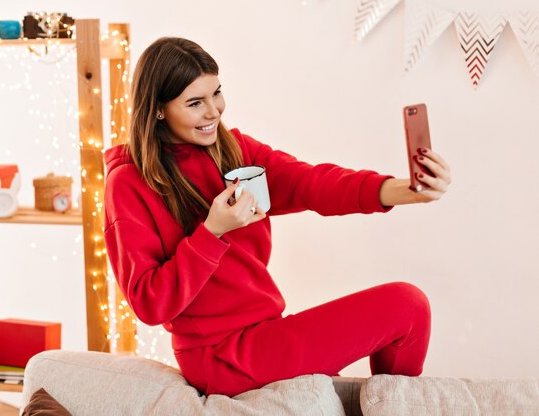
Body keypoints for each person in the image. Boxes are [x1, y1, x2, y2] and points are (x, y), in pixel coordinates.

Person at [103, 37, 452, 397]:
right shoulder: (129, 182)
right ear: (158, 109)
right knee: (406, 306)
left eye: (216, 93)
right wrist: (212, 232)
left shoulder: (233, 150)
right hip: (218, 358)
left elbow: (312, 183)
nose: (214, 111)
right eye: (195, 103)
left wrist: (405, 190)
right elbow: (148, 302)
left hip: (264, 335)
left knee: (409, 309)